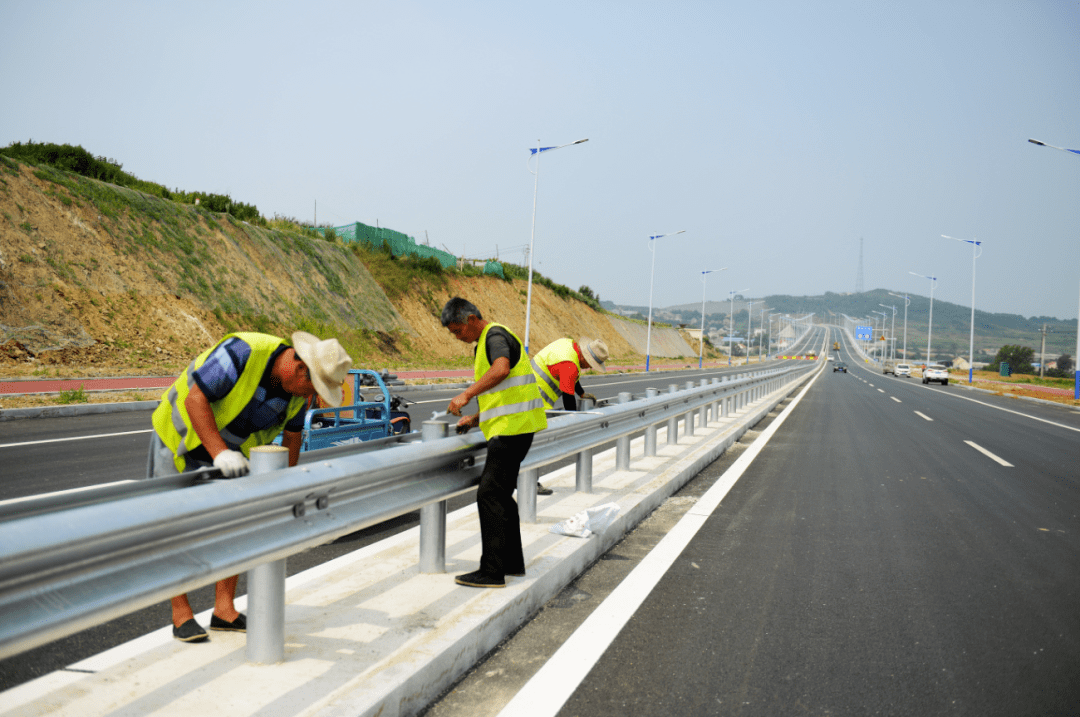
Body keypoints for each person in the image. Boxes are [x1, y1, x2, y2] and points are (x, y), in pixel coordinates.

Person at [148, 330, 353, 642]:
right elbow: (195, 399)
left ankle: (224, 610)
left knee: (238, 525)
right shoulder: (242, 352)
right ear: (300, 369)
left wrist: (285, 483)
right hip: (180, 438)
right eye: (314, 386)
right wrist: (219, 453)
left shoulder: (297, 393)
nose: (312, 396)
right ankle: (181, 613)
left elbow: (293, 437)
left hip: (233, 455)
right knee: (176, 528)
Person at [441, 297, 547, 588]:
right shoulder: (490, 338)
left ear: (472, 318)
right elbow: (504, 393)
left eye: (458, 330)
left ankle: (492, 571)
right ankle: (512, 563)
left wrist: (466, 394)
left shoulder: (494, 336)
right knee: (500, 496)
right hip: (515, 427)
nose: (457, 337)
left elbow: (501, 370)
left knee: (489, 494)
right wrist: (476, 419)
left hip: (511, 431)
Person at [530, 336, 608, 411]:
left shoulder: (568, 345)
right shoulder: (570, 366)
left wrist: (581, 393)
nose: (590, 367)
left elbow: (571, 379)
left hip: (527, 385)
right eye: (591, 364)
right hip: (534, 400)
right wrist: (573, 418)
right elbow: (568, 398)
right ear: (585, 358)